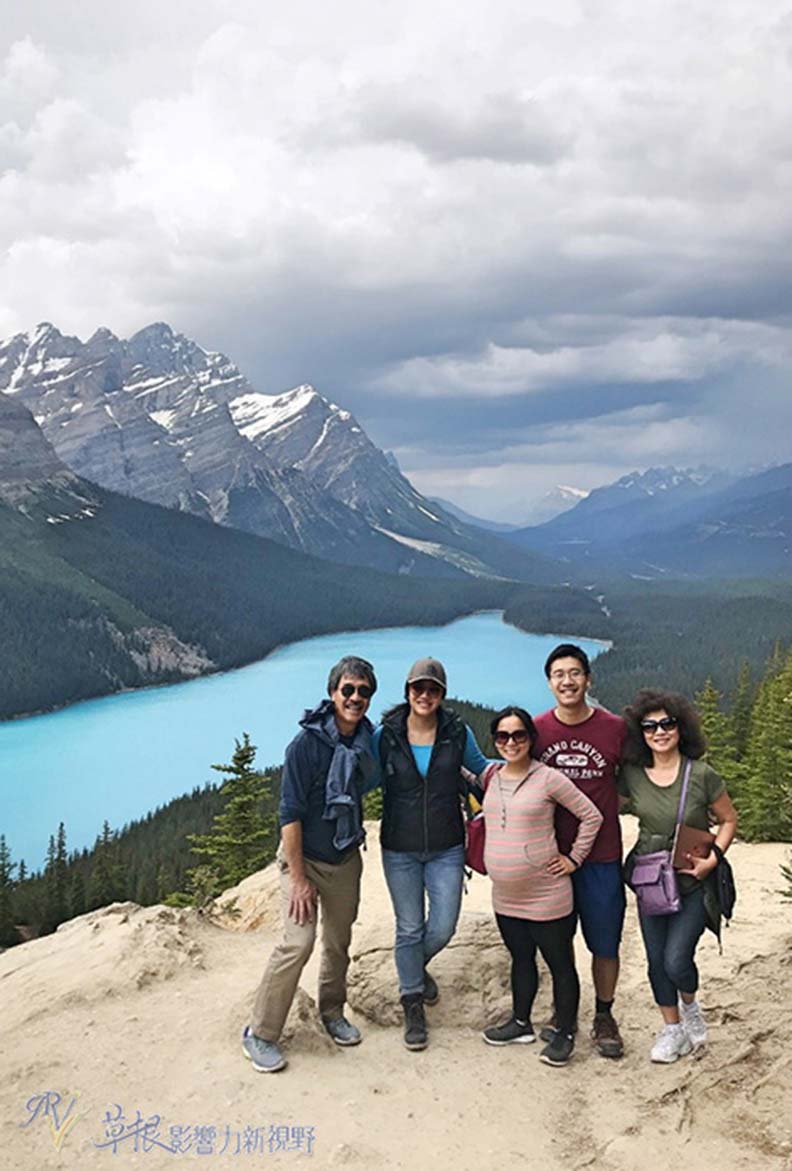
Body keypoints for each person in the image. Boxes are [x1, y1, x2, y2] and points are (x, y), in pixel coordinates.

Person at [242, 655, 379, 1073]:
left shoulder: (366, 741)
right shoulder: (306, 745)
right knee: (297, 942)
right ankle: (260, 1033)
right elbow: (289, 814)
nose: (355, 698)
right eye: (347, 689)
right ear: (333, 692)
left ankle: (332, 1012)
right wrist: (299, 878)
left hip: (344, 856)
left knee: (338, 941)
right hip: (303, 861)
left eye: (363, 691)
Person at [372, 657, 489, 1051]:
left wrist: (523, 773)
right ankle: (412, 1000)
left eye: (433, 689)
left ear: (442, 694)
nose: (425, 695)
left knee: (443, 925)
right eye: (418, 688)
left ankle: (413, 967)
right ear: (408, 691)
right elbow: (364, 776)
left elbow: (482, 769)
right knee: (409, 927)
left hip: (446, 845)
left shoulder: (456, 732)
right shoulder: (386, 735)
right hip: (399, 847)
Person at [480, 706, 603, 1066]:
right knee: (521, 959)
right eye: (503, 736)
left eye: (519, 735)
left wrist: (574, 858)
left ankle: (565, 1032)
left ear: (531, 738)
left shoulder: (548, 778)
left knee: (560, 964)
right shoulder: (492, 776)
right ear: (495, 740)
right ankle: (521, 1023)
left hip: (546, 893)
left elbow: (591, 816)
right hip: (505, 895)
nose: (511, 742)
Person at [619, 689, 737, 1063]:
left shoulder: (701, 774)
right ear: (640, 733)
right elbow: (603, 807)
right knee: (656, 961)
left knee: (676, 960)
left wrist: (713, 859)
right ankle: (672, 1030)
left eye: (667, 723)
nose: (659, 732)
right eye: (649, 726)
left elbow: (728, 820)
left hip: (692, 882)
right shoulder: (632, 776)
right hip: (651, 882)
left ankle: (690, 1006)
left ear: (680, 727)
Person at [532, 643, 627, 1057]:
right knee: (558, 940)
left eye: (574, 673)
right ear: (549, 682)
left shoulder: (615, 728)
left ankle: (604, 1014)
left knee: (605, 942)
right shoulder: (537, 730)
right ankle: (564, 1010)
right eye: (558, 674)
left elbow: (634, 779)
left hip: (601, 856)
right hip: (552, 857)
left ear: (588, 679)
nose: (567, 681)